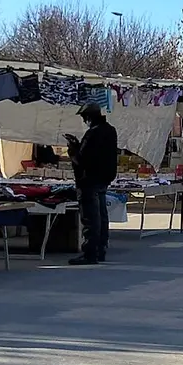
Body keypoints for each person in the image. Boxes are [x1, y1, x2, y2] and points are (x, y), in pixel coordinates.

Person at [66, 102, 118, 265]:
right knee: (101, 216)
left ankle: (90, 253)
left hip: (89, 180)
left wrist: (73, 149)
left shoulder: (93, 134)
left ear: (89, 117)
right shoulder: (110, 130)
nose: (83, 121)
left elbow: (82, 159)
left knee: (91, 218)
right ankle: (100, 249)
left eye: (84, 118)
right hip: (104, 179)